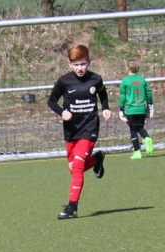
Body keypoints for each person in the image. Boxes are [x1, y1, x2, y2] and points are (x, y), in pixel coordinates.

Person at [47, 44, 112, 220]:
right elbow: (51, 101)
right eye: (76, 64)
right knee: (74, 169)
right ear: (69, 64)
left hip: (89, 128)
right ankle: (97, 159)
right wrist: (62, 112)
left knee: (77, 167)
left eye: (83, 64)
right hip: (71, 130)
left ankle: (72, 208)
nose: (80, 68)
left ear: (89, 62)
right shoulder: (64, 81)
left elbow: (103, 94)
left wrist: (106, 107)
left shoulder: (96, 79)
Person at [119, 59, 155, 160]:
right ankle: (147, 138)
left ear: (127, 68)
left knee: (133, 129)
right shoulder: (142, 80)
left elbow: (123, 96)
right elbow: (148, 93)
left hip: (131, 109)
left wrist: (121, 108)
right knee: (140, 127)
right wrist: (150, 104)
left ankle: (137, 152)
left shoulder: (125, 81)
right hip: (141, 108)